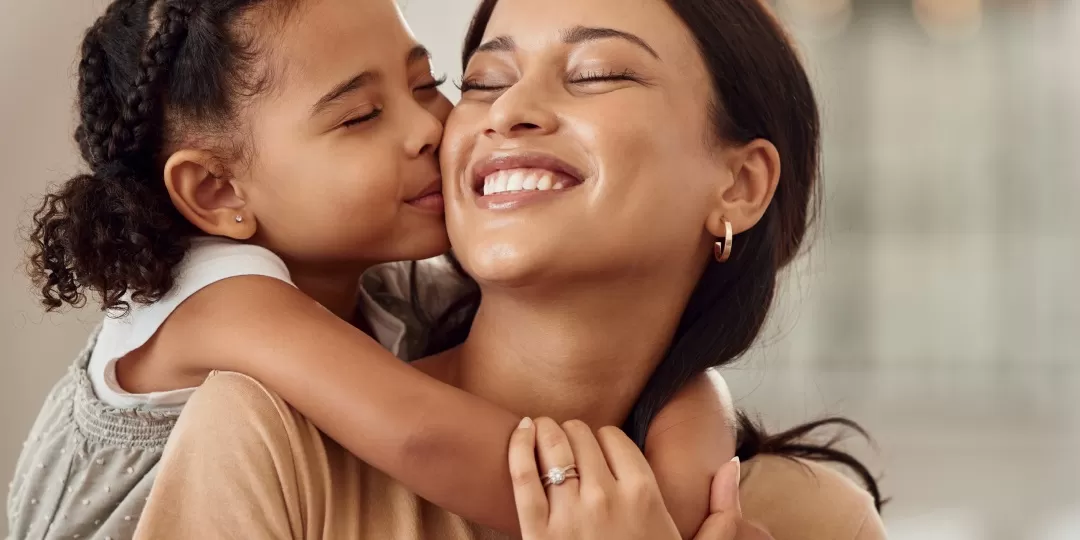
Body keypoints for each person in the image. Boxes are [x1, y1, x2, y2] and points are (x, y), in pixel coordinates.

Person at [132, 0, 887, 538]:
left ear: (741, 184)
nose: (507, 110)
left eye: (595, 73)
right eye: (486, 80)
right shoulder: (267, 438)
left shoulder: (811, 519)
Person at [8, 0, 738, 538]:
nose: (429, 128)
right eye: (360, 117)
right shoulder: (221, 305)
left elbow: (652, 359)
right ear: (218, 192)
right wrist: (651, 517)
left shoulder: (389, 290)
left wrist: (689, 445)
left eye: (427, 85)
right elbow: (426, 438)